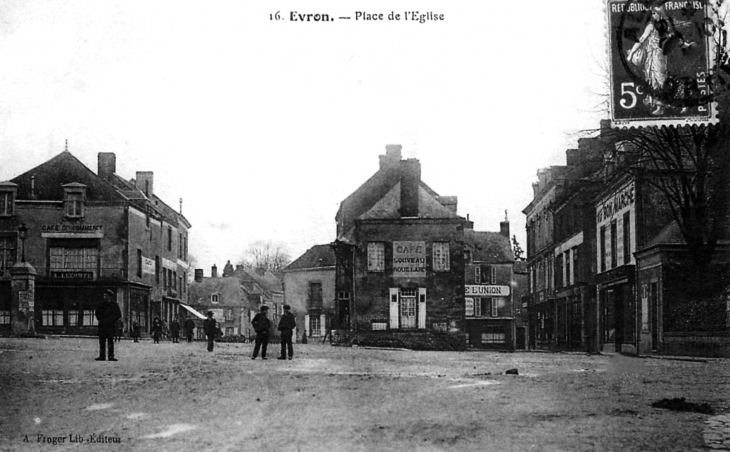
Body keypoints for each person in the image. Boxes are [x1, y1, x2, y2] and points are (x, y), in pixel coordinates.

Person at [95, 289, 122, 362]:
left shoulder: (114, 305)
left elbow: (118, 314)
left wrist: (112, 320)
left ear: (110, 297)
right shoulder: (101, 305)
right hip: (102, 325)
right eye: (104, 296)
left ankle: (111, 356)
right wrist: (100, 319)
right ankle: (102, 356)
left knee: (110, 341)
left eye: (106, 296)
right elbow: (97, 313)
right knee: (102, 341)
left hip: (110, 326)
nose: (104, 297)